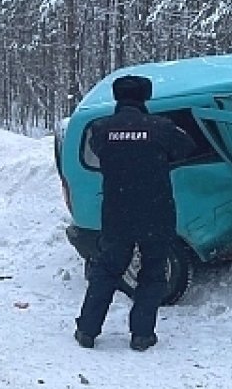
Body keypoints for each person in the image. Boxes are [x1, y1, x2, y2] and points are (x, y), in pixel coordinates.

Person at [74, 74, 195, 352]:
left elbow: (98, 150)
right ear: (146, 97)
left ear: (117, 97)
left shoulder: (102, 130)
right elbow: (186, 148)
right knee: (152, 272)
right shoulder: (162, 128)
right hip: (155, 211)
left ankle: (87, 330)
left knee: (106, 270)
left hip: (117, 212)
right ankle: (141, 335)